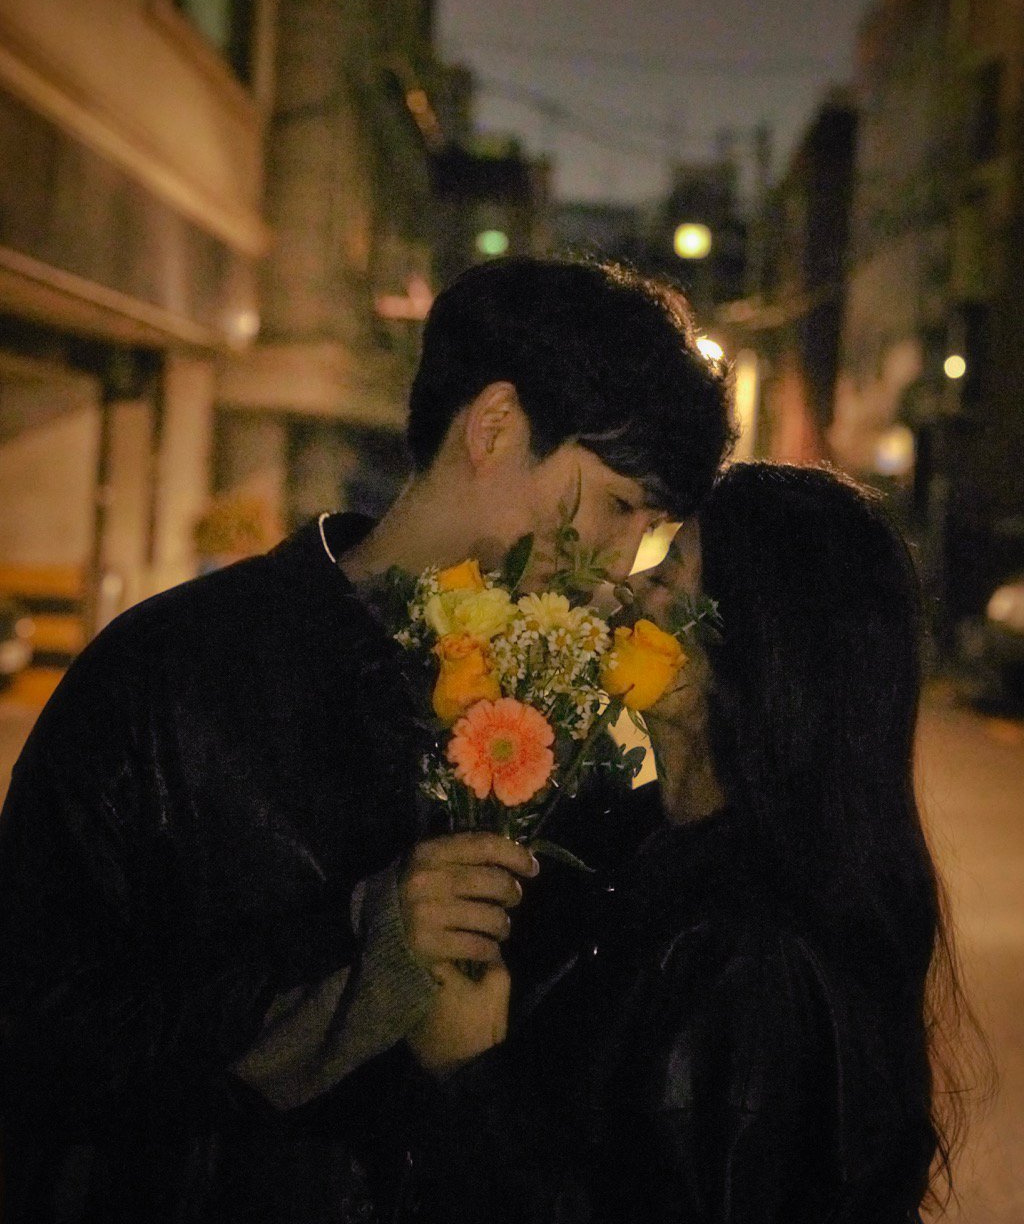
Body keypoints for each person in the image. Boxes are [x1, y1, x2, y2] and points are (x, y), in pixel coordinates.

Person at [0, 256, 732, 1223]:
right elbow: (39, 1030)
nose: (619, 562)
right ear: (495, 427)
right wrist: (356, 944)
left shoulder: (558, 710)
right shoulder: (174, 671)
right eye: (617, 505)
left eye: (651, 528)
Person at [396, 463, 975, 1224]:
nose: (633, 588)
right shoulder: (628, 840)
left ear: (754, 648)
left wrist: (467, 1075)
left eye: (670, 573)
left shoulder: (759, 955)